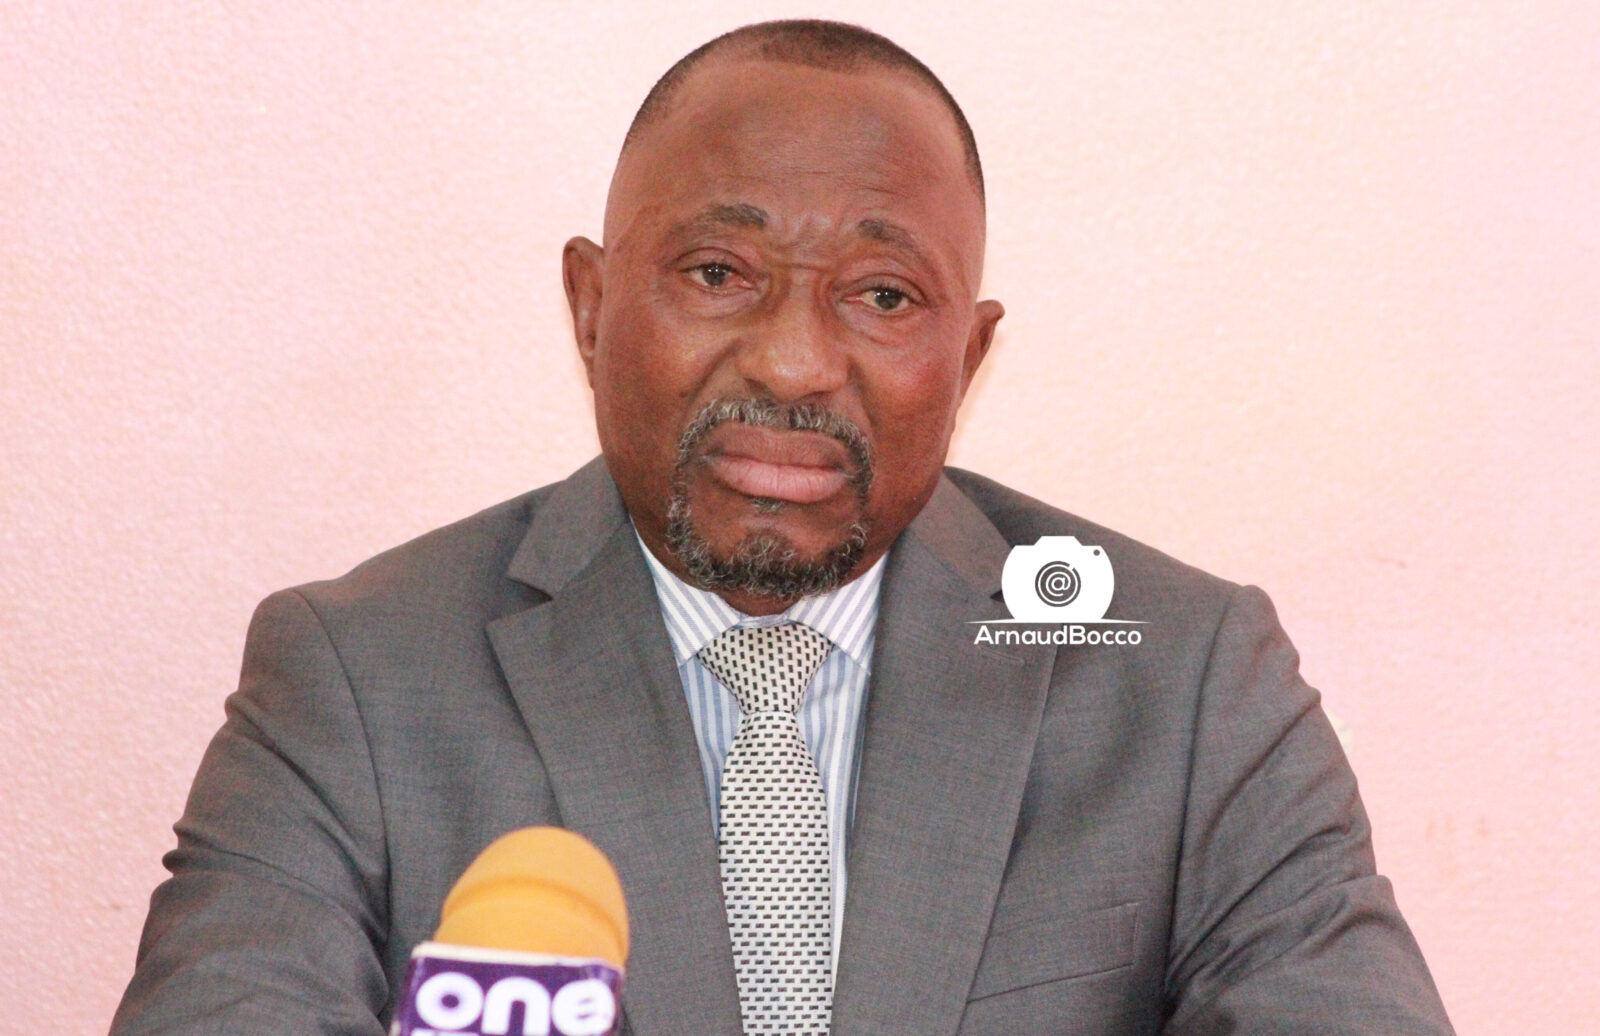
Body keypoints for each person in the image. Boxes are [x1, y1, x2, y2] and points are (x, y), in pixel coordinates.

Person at [112, 19, 1453, 1036]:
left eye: (884, 295)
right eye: (718, 272)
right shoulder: (356, 680)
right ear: (591, 307)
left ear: (970, 357)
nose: (797, 362)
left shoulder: (1190, 681)